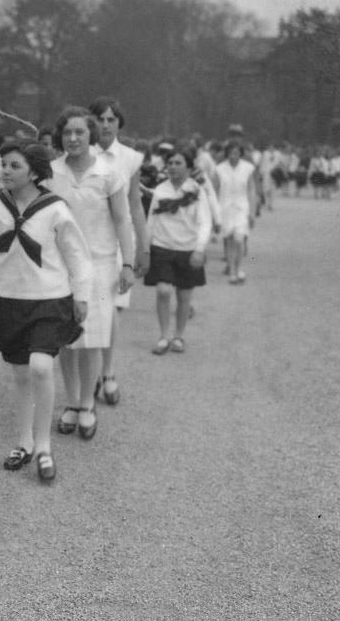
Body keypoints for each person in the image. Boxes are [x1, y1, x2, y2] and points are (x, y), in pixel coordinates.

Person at [0, 142, 91, 482]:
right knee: (21, 375)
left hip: (50, 299)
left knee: (42, 368)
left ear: (33, 171)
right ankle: (23, 442)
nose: (6, 171)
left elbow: (77, 255)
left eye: (14, 166)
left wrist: (81, 296)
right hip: (11, 300)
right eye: (4, 165)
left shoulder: (55, 208)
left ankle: (44, 447)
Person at [43, 107, 135, 441]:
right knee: (66, 338)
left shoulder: (109, 174)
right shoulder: (51, 173)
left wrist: (127, 263)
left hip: (100, 263)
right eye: (67, 133)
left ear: (91, 135)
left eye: (80, 132)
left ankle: (86, 405)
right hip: (61, 265)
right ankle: (70, 401)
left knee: (92, 337)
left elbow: (123, 220)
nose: (73, 138)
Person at [88, 97, 149, 405]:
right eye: (100, 119)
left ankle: (108, 372)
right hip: (87, 241)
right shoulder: (81, 154)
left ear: (119, 124)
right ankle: (84, 382)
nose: (106, 124)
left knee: (111, 310)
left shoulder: (130, 158)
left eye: (112, 119)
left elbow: (135, 205)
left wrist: (142, 247)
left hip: (118, 244)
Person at [144, 147, 212, 354]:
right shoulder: (160, 190)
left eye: (178, 163)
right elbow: (151, 221)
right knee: (163, 291)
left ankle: (178, 336)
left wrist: (200, 249)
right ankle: (164, 336)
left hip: (187, 251)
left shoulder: (197, 192)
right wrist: (144, 249)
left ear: (189, 168)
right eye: (170, 163)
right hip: (162, 248)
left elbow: (205, 223)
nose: (172, 167)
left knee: (184, 296)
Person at [214, 140, 256, 284]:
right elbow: (214, 191)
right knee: (230, 239)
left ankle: (240, 269)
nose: (234, 156)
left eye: (237, 153)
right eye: (231, 153)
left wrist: (252, 212)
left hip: (241, 207)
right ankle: (232, 271)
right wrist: (214, 213)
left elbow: (251, 190)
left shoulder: (248, 168)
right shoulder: (219, 169)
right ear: (227, 154)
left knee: (239, 238)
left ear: (241, 154)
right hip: (225, 207)